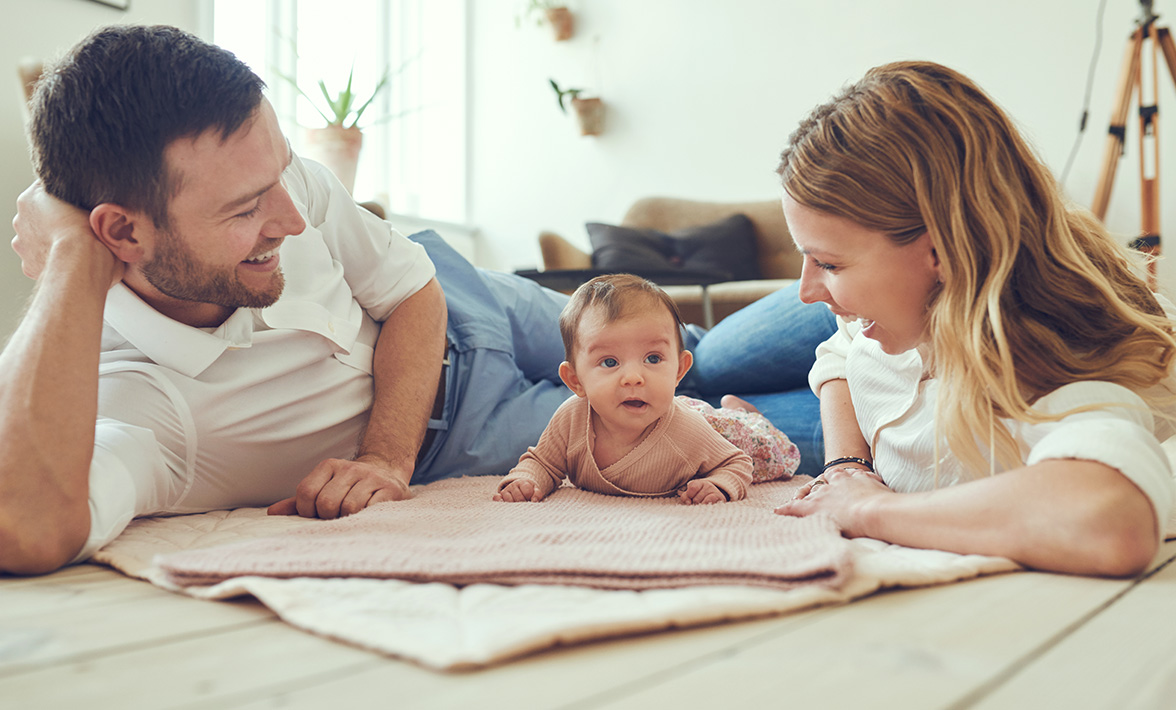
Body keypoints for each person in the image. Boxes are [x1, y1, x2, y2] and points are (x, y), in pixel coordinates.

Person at [0, 24, 575, 574]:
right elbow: (23, 525)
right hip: (459, 428)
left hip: (460, 292)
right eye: (246, 208)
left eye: (281, 172)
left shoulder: (263, 177)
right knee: (657, 411)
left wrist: (384, 456)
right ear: (124, 234)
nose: (293, 220)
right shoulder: (133, 399)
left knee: (663, 341)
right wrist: (71, 253)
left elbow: (411, 289)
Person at [767, 60, 1176, 577]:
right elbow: (839, 351)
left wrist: (864, 508)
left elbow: (1112, 519)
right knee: (695, 365)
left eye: (827, 262)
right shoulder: (888, 311)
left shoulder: (1048, 369)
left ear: (942, 251)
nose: (804, 290)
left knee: (677, 402)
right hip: (872, 380)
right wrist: (847, 466)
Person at [494, 274, 800, 504]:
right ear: (575, 380)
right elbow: (543, 462)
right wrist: (527, 479)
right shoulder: (571, 419)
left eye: (652, 358)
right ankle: (734, 405)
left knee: (769, 450)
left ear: (679, 369)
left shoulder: (687, 432)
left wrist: (719, 484)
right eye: (610, 362)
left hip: (721, 432)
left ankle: (745, 414)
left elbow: (737, 462)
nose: (633, 378)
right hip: (690, 415)